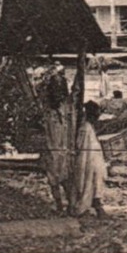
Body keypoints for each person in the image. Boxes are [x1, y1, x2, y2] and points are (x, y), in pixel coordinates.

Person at [37, 68, 76, 214]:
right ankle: (62, 205)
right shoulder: (51, 109)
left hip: (60, 147)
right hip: (55, 147)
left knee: (62, 179)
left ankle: (67, 205)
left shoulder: (65, 109)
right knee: (58, 179)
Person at [72, 100, 109, 218]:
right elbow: (81, 146)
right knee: (89, 184)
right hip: (88, 161)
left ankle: (95, 207)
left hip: (93, 161)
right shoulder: (85, 128)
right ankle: (90, 208)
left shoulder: (89, 127)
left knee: (95, 184)